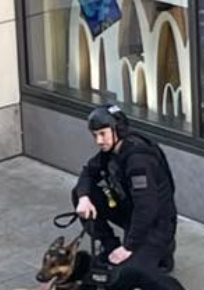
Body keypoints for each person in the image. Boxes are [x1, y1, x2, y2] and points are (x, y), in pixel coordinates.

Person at [72, 105, 177, 274]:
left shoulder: (138, 159)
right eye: (95, 135)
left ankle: (162, 250)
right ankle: (110, 245)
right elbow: (88, 172)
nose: (98, 141)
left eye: (102, 134)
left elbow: (146, 207)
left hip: (156, 223)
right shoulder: (112, 149)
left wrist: (128, 247)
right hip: (131, 211)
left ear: (117, 130)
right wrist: (84, 198)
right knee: (81, 193)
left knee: (122, 275)